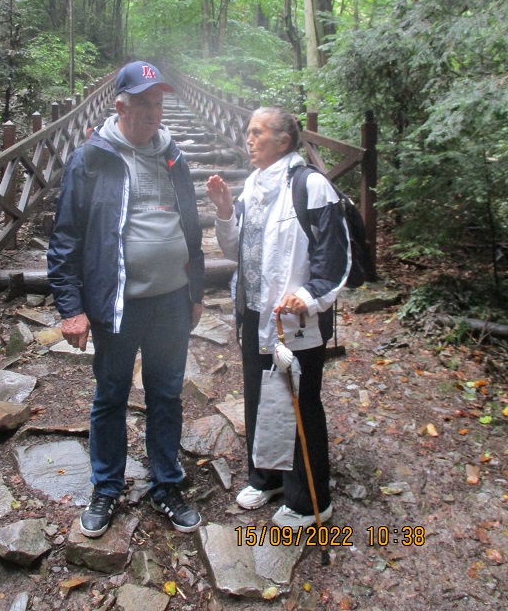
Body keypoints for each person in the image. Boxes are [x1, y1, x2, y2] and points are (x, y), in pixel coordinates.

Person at [47, 60, 204, 537]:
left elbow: (192, 227)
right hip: (117, 302)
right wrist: (71, 308)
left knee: (166, 395)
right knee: (111, 395)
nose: (153, 111)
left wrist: (196, 290)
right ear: (120, 106)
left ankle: (166, 484)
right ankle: (106, 488)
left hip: (172, 300)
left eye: (158, 102)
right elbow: (65, 238)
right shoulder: (91, 158)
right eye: (143, 103)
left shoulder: (174, 155)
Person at [205, 107, 351, 530]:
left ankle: (309, 502)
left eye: (257, 132)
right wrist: (225, 210)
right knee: (259, 395)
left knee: (298, 401)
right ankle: (266, 478)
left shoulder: (312, 186)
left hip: (297, 320)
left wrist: (307, 296)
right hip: (255, 313)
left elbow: (334, 255)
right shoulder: (254, 185)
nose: (248, 139)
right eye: (248, 132)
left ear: (283, 140)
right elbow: (236, 250)